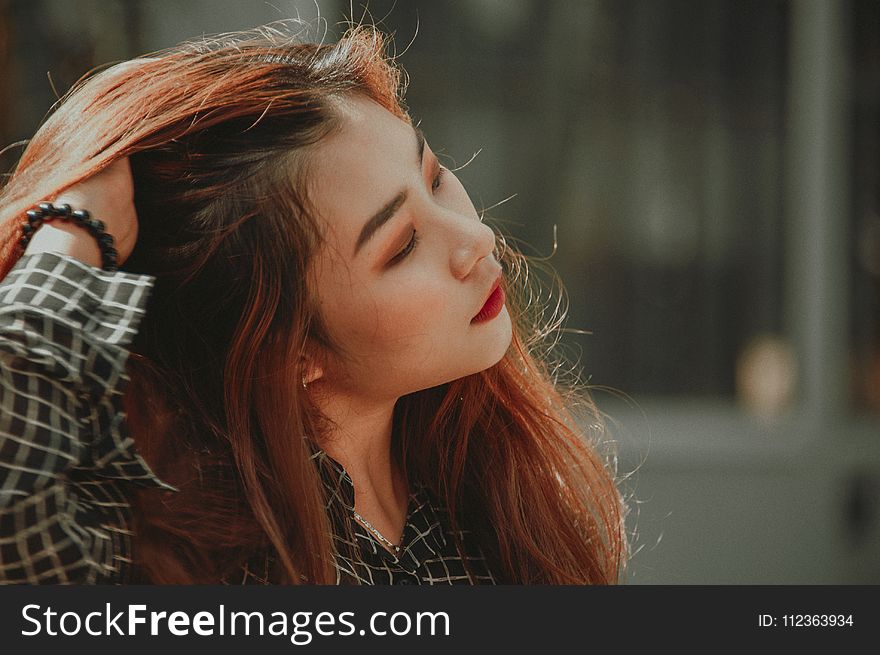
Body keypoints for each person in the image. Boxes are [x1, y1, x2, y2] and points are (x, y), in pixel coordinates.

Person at [0, 23, 628, 585]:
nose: (475, 239)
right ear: (288, 347)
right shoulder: (186, 568)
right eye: (402, 245)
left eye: (435, 178)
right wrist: (71, 229)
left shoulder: (482, 488)